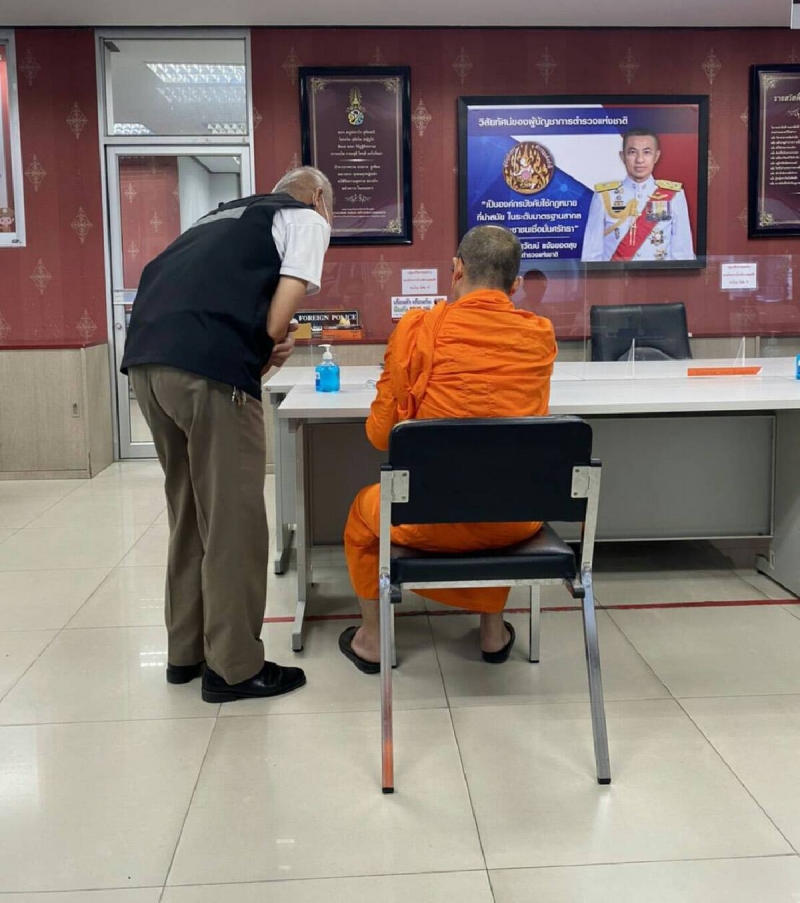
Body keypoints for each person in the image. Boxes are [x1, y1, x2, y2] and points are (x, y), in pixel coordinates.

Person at [122, 167, 333, 703]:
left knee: (189, 513)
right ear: (318, 196)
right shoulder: (305, 217)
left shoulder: (218, 218)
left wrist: (257, 354)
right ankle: (235, 667)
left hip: (147, 365)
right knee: (234, 522)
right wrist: (269, 345)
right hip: (207, 374)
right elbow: (275, 322)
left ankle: (185, 653)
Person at [339, 225, 557, 673]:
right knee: (496, 483)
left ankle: (373, 639)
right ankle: (493, 632)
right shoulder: (539, 335)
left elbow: (380, 437)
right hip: (517, 519)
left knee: (362, 514)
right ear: (516, 285)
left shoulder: (417, 329)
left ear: (456, 270)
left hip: (427, 519)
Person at [581, 128, 695, 262]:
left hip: (659, 275)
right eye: (632, 152)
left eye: (647, 152)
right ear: (622, 156)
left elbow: (683, 254)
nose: (640, 160)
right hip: (616, 275)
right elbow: (591, 255)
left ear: (656, 156)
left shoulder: (674, 196)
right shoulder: (604, 196)